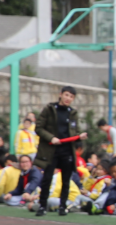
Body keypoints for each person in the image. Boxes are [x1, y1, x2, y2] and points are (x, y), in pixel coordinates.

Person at [33, 86, 88, 217]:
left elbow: (75, 131)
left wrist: (80, 136)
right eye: (67, 95)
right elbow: (39, 128)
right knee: (47, 178)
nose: (68, 98)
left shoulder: (72, 113)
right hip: (51, 150)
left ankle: (63, 206)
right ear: (61, 95)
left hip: (67, 150)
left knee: (66, 180)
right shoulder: (49, 109)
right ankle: (42, 206)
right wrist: (51, 138)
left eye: (71, 97)